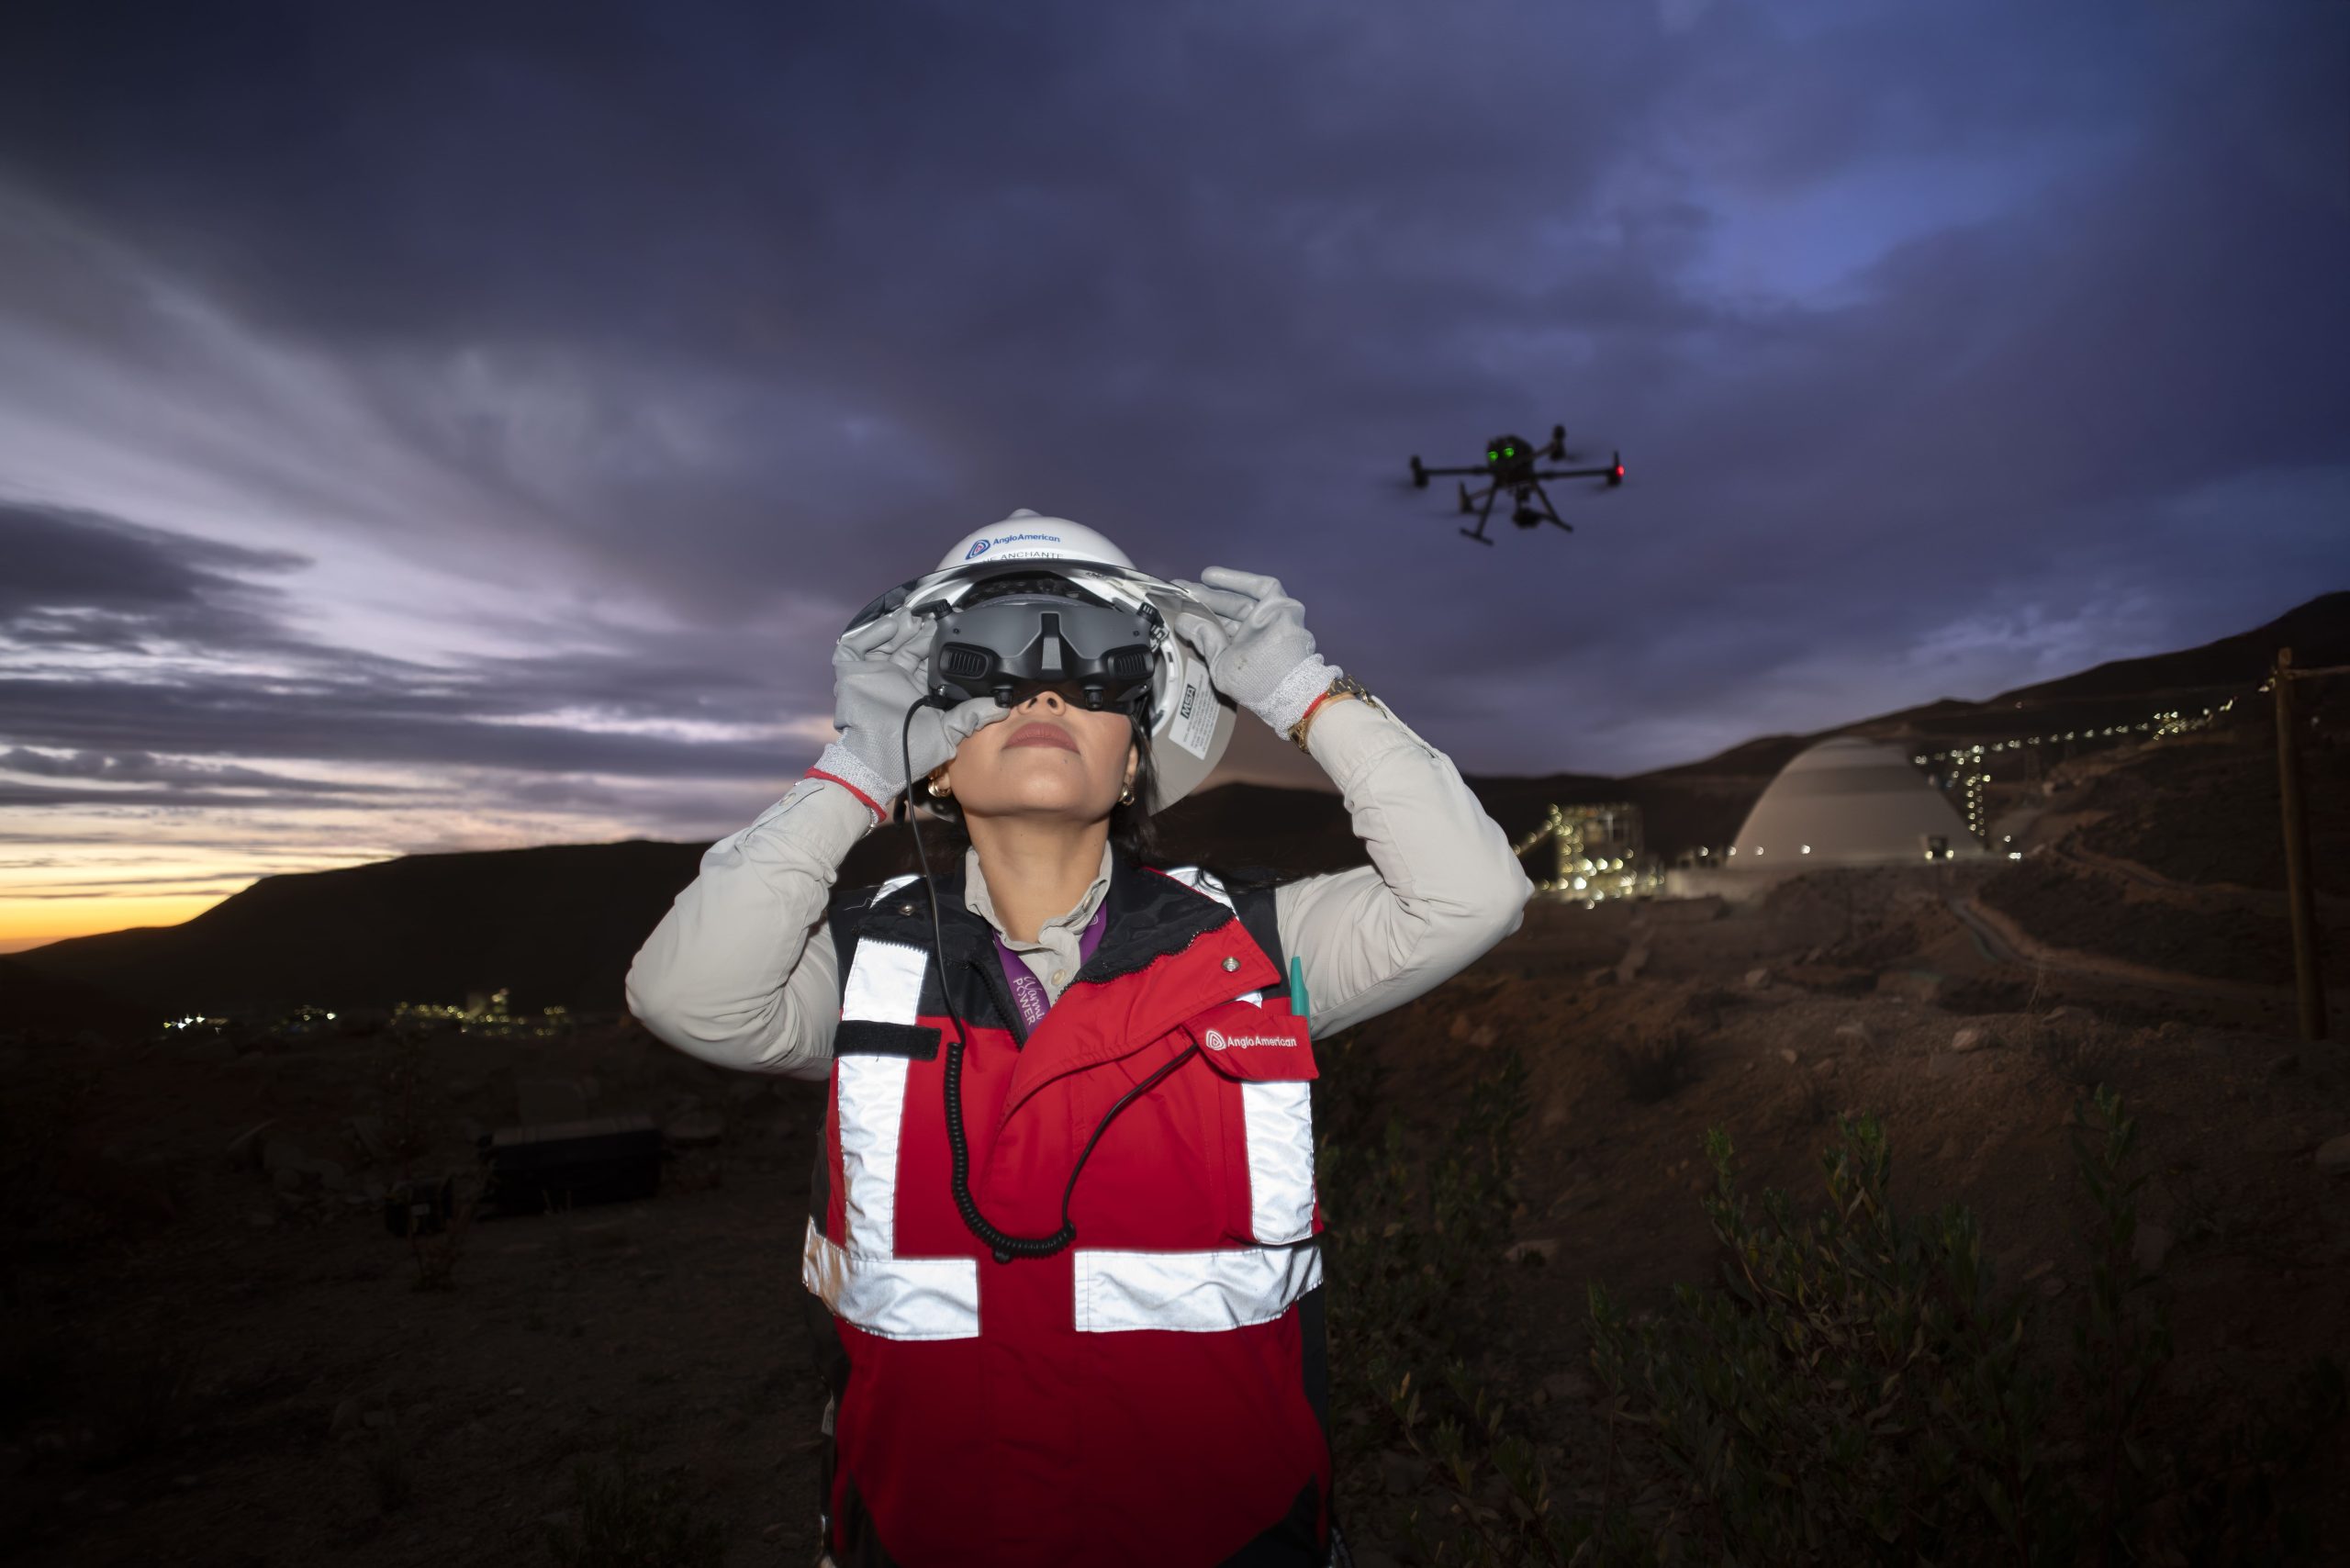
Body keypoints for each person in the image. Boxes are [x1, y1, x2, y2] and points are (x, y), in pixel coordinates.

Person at [625, 512, 1533, 1567]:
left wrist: (1303, 692)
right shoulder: (855, 969)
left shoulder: (1254, 951)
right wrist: (859, 763)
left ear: (1137, 755)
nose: (1044, 690)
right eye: (989, 673)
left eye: (1099, 672)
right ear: (936, 764)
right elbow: (684, 993)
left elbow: (1472, 896)